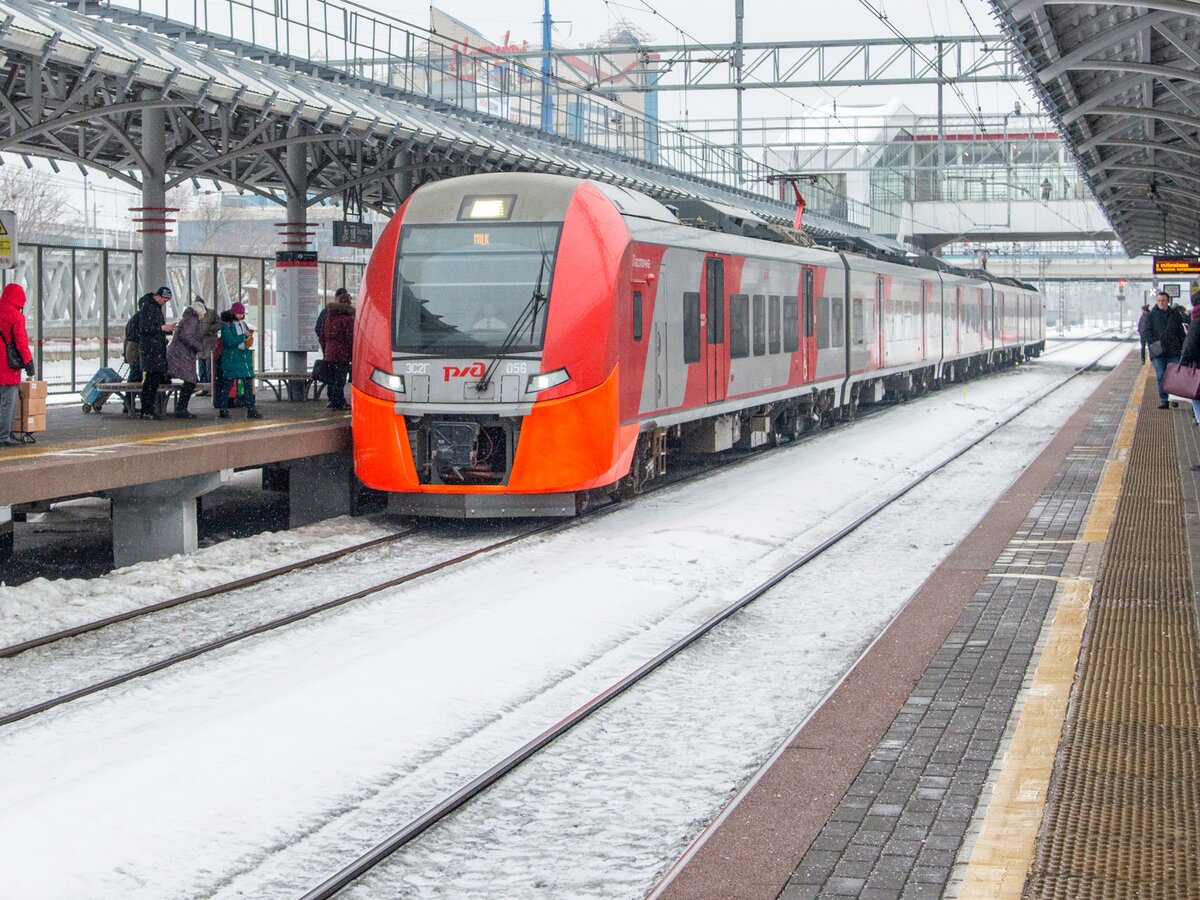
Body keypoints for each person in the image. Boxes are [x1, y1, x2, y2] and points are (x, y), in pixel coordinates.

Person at [0, 283, 35, 446]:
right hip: (7, 368)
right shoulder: (15, 316)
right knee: (8, 402)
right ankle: (3, 436)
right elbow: (21, 343)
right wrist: (29, 364)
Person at [136, 286, 175, 420]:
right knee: (150, 382)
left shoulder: (155, 308)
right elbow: (144, 328)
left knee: (153, 380)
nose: (166, 302)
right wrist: (161, 328)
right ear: (158, 296)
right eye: (165, 299)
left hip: (155, 350)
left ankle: (147, 409)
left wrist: (166, 329)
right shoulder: (148, 308)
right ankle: (147, 409)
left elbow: (150, 328)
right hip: (151, 351)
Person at [217, 301, 262, 419]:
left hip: (242, 358)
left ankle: (250, 409)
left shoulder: (243, 324)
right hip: (233, 359)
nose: (241, 315)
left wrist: (248, 338)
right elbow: (229, 341)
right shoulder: (226, 326)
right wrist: (243, 337)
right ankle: (224, 409)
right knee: (229, 385)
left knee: (247, 383)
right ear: (233, 313)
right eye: (239, 313)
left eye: (242, 313)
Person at [166, 298, 207, 418]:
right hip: (181, 355)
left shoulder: (188, 318)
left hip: (179, 354)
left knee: (190, 380)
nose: (203, 317)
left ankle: (179, 407)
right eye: (203, 314)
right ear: (199, 313)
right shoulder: (192, 320)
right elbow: (187, 336)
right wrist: (199, 347)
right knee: (191, 381)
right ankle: (181, 409)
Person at [1147, 290, 1186, 409]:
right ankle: (1164, 400)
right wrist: (1155, 344)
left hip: (1173, 351)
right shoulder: (1151, 315)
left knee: (1173, 376)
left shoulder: (1175, 315)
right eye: (1159, 301)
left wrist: (1182, 348)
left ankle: (1173, 397)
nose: (1161, 303)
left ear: (1168, 301)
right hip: (1158, 352)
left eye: (1163, 300)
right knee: (1161, 376)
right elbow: (1146, 332)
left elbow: (1180, 333)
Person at [319, 288, 355, 411]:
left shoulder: (329, 316)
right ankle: (338, 401)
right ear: (348, 303)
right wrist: (352, 353)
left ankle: (332, 399)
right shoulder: (348, 318)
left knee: (332, 377)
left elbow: (322, 335)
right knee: (340, 378)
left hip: (330, 352)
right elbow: (350, 337)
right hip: (342, 353)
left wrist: (325, 350)